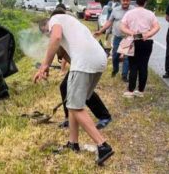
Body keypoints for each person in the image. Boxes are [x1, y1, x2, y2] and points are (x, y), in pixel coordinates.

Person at [34, 14, 114, 166]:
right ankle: (73, 143)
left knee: (75, 106)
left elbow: (56, 38)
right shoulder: (70, 23)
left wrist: (45, 65)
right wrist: (51, 63)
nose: (48, 35)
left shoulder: (55, 20)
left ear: (46, 26)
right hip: (99, 59)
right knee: (73, 103)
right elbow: (68, 53)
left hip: (85, 61)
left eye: (46, 33)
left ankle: (103, 145)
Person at [51, 5, 112, 129]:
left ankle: (104, 116)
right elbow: (65, 54)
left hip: (86, 60)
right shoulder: (63, 28)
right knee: (66, 87)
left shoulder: (68, 27)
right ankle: (70, 118)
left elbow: (67, 50)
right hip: (79, 62)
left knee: (82, 92)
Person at [120, 0, 160, 98]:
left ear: (136, 1)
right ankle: (141, 90)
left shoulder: (129, 13)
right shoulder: (150, 13)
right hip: (146, 41)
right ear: (146, 2)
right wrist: (148, 34)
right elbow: (157, 27)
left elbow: (122, 27)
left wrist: (130, 32)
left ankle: (130, 90)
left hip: (134, 40)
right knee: (143, 65)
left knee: (133, 66)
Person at [95, 0, 134, 82]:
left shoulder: (133, 10)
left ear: (130, 1)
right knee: (115, 56)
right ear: (120, 1)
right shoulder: (115, 10)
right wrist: (101, 31)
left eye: (127, 1)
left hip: (128, 37)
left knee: (126, 57)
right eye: (123, 1)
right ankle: (115, 70)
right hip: (117, 36)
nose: (125, 2)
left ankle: (124, 75)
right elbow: (109, 22)